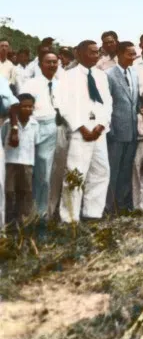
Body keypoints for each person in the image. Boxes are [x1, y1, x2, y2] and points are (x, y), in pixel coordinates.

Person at [57, 40, 113, 222]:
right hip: (80, 133)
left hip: (98, 132)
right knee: (75, 174)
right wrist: (82, 128)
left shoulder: (101, 76)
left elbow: (107, 104)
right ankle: (70, 217)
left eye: (97, 52)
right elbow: (63, 106)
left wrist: (101, 125)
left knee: (101, 171)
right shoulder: (68, 76)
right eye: (92, 52)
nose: (96, 56)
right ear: (79, 54)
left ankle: (93, 213)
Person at [20, 51, 60, 218]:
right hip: (32, 126)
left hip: (51, 127)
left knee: (44, 175)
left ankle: (41, 215)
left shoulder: (60, 84)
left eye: (54, 62)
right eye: (48, 62)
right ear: (40, 64)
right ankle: (22, 215)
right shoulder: (31, 84)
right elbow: (21, 106)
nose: (52, 65)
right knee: (25, 173)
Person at [106, 41, 140, 214]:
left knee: (126, 169)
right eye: (129, 54)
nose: (133, 57)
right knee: (113, 169)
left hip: (132, 131)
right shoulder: (109, 75)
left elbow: (136, 101)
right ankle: (109, 206)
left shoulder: (134, 73)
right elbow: (106, 105)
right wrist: (110, 130)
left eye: (134, 54)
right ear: (119, 54)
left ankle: (122, 202)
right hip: (116, 132)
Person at [4, 93, 36, 223]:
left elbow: (36, 142)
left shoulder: (35, 125)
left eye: (30, 106)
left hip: (27, 162)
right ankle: (8, 219)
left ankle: (22, 220)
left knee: (25, 191)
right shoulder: (8, 124)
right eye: (24, 106)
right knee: (9, 191)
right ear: (17, 108)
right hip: (10, 162)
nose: (27, 109)